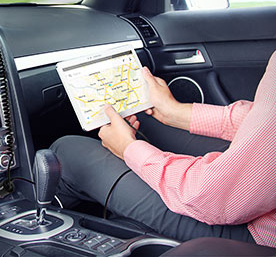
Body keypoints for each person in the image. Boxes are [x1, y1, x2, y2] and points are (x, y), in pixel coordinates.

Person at [51, 51, 276, 247]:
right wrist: (174, 112)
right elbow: (264, 119)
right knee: (146, 120)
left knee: (68, 152)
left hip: (256, 236)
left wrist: (128, 148)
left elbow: (210, 197)